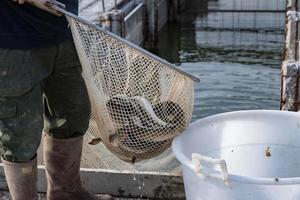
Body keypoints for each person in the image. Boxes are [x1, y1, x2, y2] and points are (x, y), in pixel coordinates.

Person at [0, 0, 113, 199]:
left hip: (65, 31)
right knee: (20, 134)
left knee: (73, 115)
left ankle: (66, 192)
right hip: (12, 40)